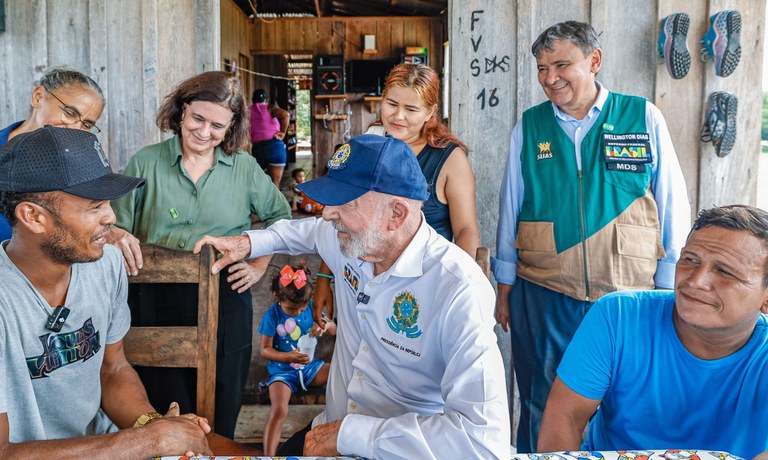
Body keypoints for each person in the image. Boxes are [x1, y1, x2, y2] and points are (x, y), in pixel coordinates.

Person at [194, 134, 510, 459]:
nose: (328, 213)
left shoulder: (457, 289)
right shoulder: (354, 240)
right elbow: (304, 231)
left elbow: (483, 443)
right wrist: (248, 243)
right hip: (328, 427)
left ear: (396, 215)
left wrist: (352, 435)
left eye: (345, 203)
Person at [492, 20, 691, 451]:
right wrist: (503, 287)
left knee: (628, 403)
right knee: (542, 401)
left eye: (561, 64)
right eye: (542, 68)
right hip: (544, 293)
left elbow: (673, 205)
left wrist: (668, 288)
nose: (549, 78)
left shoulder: (641, 116)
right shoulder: (530, 127)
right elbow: (510, 208)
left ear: (594, 61)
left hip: (629, 295)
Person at [0, 126, 211, 457]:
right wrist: (150, 440)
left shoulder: (105, 263)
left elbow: (112, 370)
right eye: (94, 205)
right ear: (34, 216)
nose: (111, 217)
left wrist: (154, 424)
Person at [108, 71, 292, 438]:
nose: (205, 132)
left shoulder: (244, 168)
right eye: (197, 119)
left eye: (217, 126)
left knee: (221, 404)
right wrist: (114, 233)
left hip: (225, 293)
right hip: (154, 297)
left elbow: (281, 218)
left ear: (232, 127)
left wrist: (257, 266)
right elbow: (115, 227)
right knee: (162, 405)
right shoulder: (146, 162)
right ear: (180, 112)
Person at [538, 205, 768, 459]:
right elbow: (565, 416)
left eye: (725, 271)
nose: (695, 281)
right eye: (690, 260)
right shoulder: (619, 316)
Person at [313, 63, 481, 325]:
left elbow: (466, 231)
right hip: (363, 280)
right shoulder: (370, 143)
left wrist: (458, 291)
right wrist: (324, 277)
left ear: (430, 112)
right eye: (392, 104)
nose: (398, 116)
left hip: (422, 288)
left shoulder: (450, 160)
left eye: (411, 109)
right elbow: (342, 216)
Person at [0, 65, 104, 243]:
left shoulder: (79, 168)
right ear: (38, 97)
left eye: (86, 125)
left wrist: (108, 232)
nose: (74, 129)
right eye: (70, 113)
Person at [259, 263, 335, 455]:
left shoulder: (309, 307)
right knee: (280, 409)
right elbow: (265, 350)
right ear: (278, 297)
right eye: (293, 310)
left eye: (302, 309)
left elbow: (335, 330)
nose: (299, 313)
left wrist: (325, 325)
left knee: (339, 372)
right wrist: (287, 357)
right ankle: (269, 456)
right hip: (282, 372)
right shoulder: (272, 315)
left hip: (309, 368)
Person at [250, 88, 290, 187]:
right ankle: (274, 202)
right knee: (275, 184)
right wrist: (283, 132)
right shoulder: (270, 108)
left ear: (252, 100)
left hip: (257, 148)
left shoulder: (247, 110)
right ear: (266, 100)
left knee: (259, 184)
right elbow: (286, 114)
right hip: (274, 146)